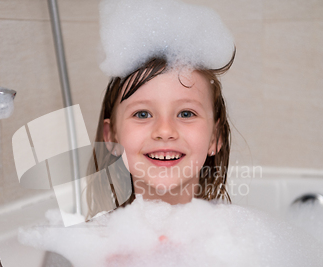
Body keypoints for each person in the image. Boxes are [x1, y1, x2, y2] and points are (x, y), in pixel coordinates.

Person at [85, 55, 234, 219]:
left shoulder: (233, 238)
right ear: (112, 137)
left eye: (186, 113)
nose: (164, 131)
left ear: (215, 136)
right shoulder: (95, 238)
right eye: (142, 114)